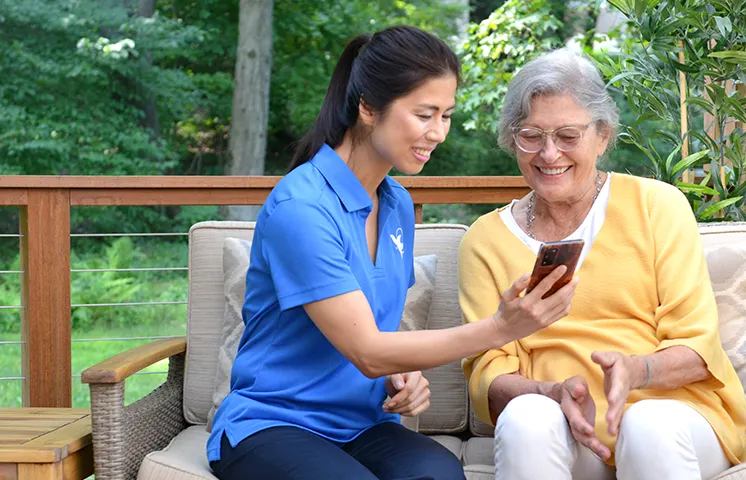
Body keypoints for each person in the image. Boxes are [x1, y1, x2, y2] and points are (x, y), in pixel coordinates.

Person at [206, 26, 578, 480]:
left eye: (446, 115)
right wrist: (501, 327)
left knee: (441, 474)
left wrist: (403, 377)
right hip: (271, 424)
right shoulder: (301, 208)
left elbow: (377, 337)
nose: (438, 132)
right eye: (425, 114)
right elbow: (368, 350)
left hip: (361, 425)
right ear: (367, 107)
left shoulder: (396, 203)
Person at [459, 48, 746, 480]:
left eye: (568, 136)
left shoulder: (656, 206)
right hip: (567, 429)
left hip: (676, 417)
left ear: (603, 136)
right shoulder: (485, 240)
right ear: (512, 140)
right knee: (526, 417)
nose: (549, 153)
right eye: (531, 135)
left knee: (647, 424)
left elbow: (697, 348)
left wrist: (637, 370)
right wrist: (552, 393)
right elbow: (488, 374)